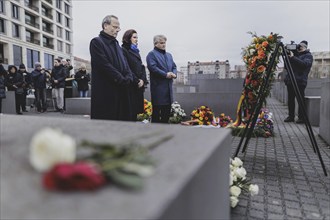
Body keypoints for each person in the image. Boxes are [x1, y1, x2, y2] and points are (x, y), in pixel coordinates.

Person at [89, 15, 133, 120]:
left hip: (121, 91)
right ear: (105, 26)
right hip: (106, 93)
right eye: (115, 27)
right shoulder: (96, 42)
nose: (118, 30)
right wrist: (122, 79)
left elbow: (125, 64)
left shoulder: (117, 45)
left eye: (118, 27)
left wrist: (129, 77)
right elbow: (104, 65)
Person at [146, 34, 177, 123]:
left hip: (168, 90)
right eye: (162, 43)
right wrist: (165, 75)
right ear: (155, 44)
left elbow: (174, 66)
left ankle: (165, 134)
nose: (164, 45)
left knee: (166, 116)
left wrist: (174, 74)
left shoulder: (169, 55)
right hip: (158, 91)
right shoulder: (151, 54)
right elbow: (153, 68)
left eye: (165, 43)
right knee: (156, 116)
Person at [284, 40, 313, 124]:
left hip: (300, 81)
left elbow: (304, 65)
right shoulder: (295, 55)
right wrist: (288, 56)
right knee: (290, 99)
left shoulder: (308, 55)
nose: (299, 48)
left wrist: (293, 58)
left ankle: (301, 117)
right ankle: (291, 116)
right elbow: (286, 66)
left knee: (300, 99)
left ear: (304, 47)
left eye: (300, 47)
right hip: (290, 80)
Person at [122, 29, 148, 120]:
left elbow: (141, 67)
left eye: (137, 37)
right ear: (128, 38)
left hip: (138, 86)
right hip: (131, 86)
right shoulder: (124, 50)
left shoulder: (136, 51)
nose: (137, 39)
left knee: (135, 114)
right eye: (134, 37)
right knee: (129, 114)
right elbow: (126, 68)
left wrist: (142, 80)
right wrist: (137, 80)